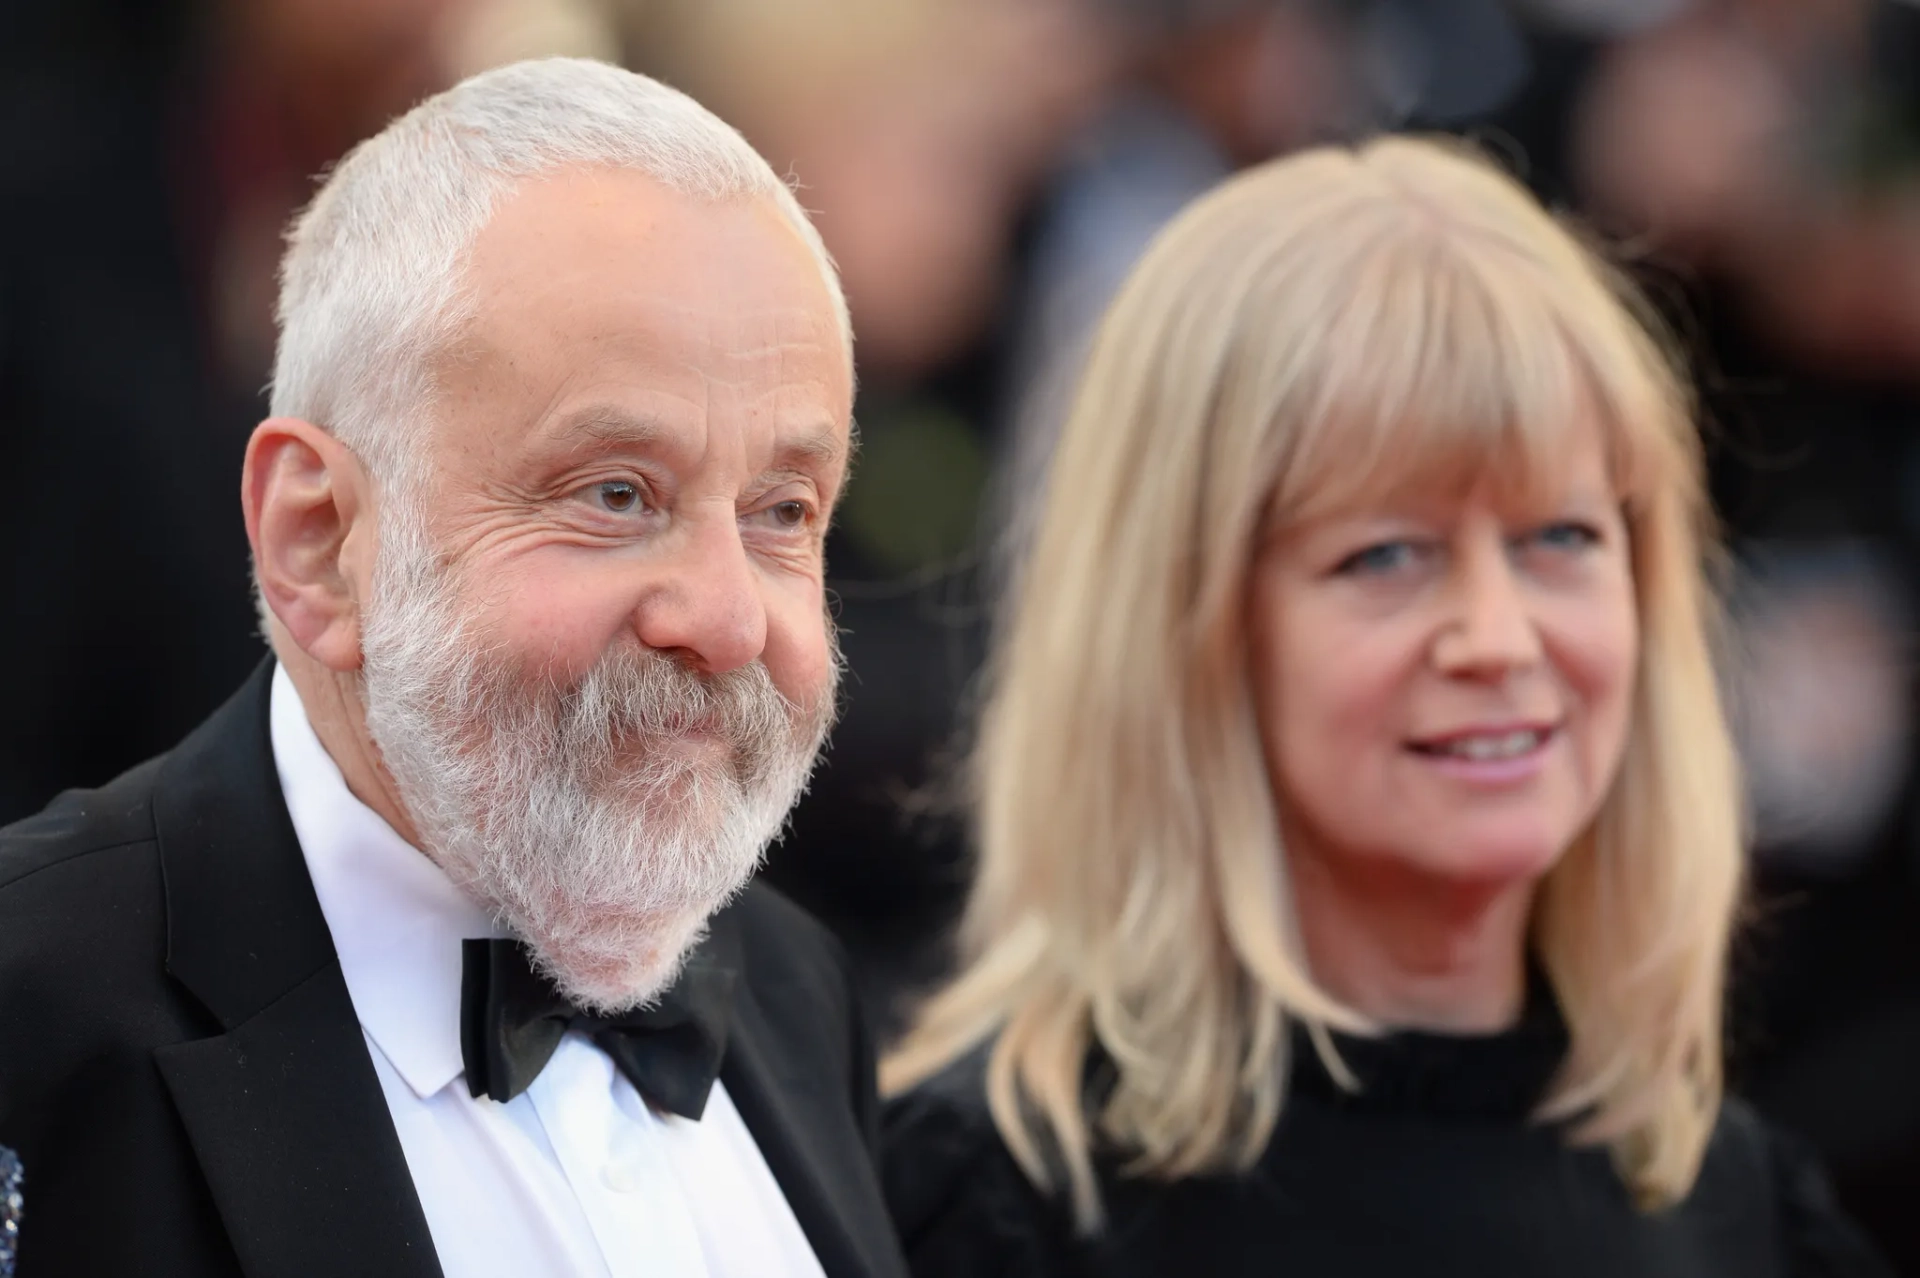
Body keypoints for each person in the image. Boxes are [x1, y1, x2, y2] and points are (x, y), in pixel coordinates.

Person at [880, 136, 1894, 1277]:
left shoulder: (1738, 1210)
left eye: (1560, 538)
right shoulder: (983, 1203)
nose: (1498, 639)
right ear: (1179, 627)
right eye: (1387, 556)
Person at [0, 58, 907, 1278]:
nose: (731, 623)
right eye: (616, 494)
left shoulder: (797, 993)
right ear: (316, 542)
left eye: (784, 512)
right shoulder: (32, 1016)